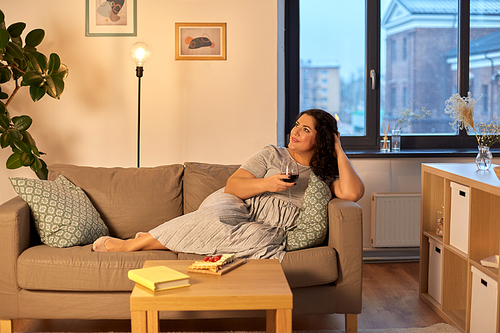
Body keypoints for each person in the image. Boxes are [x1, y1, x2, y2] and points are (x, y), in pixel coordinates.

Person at [93, 109, 364, 260]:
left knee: (259, 238)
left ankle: (152, 239)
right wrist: (267, 183)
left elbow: (352, 192)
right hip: (239, 203)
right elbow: (234, 186)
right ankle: (130, 245)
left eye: (306, 129)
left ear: (323, 137)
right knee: (216, 218)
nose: (295, 131)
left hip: (268, 224)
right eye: (296, 125)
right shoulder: (272, 154)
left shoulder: (322, 174)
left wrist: (339, 150)